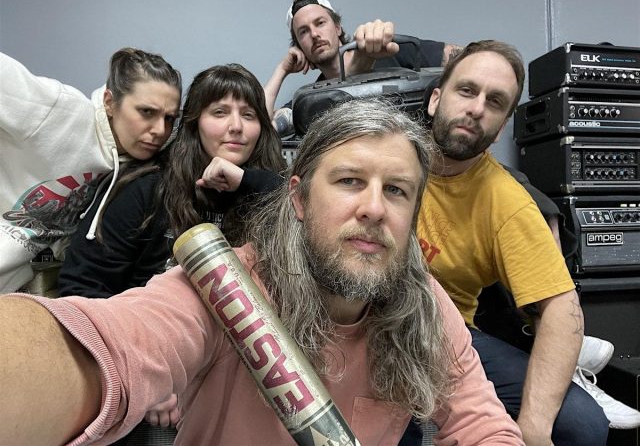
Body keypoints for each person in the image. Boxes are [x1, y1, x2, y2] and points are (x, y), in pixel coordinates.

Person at [0, 99, 524, 445]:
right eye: (348, 181)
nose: (373, 208)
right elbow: (115, 344)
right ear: (298, 199)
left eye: (396, 190)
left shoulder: (423, 300)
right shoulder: (227, 288)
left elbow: (482, 426)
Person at [415, 40, 612, 445]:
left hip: (445, 336)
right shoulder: (391, 157)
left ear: (502, 126)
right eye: (466, 90)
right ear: (436, 100)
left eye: (495, 102)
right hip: (368, 324)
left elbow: (561, 308)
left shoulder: (507, 201)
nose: (476, 109)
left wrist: (535, 425)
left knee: (581, 424)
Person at [57, 63, 286, 298]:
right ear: (194, 122)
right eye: (220, 112)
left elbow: (300, 209)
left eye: (248, 115)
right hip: (145, 317)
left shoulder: (270, 188)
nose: (236, 126)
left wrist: (247, 180)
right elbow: (81, 288)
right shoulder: (146, 186)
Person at [0, 48, 182, 293]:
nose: (160, 130)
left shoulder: (138, 166)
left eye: (169, 118)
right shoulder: (61, 111)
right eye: (146, 112)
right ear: (109, 102)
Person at [263, 0, 462, 135]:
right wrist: (282, 69)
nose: (314, 34)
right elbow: (262, 126)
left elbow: (468, 59)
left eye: (320, 23)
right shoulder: (313, 100)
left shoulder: (390, 49)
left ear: (338, 27)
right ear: (299, 46)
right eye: (303, 32)